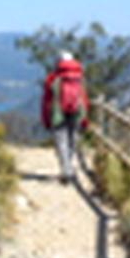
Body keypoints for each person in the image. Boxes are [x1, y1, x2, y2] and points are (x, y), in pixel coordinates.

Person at [41, 51, 89, 184]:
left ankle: (66, 170)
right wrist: (85, 118)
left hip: (57, 113)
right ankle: (69, 168)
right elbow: (84, 99)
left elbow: (46, 101)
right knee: (72, 139)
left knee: (61, 141)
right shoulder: (79, 77)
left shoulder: (52, 78)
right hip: (77, 112)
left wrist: (46, 119)